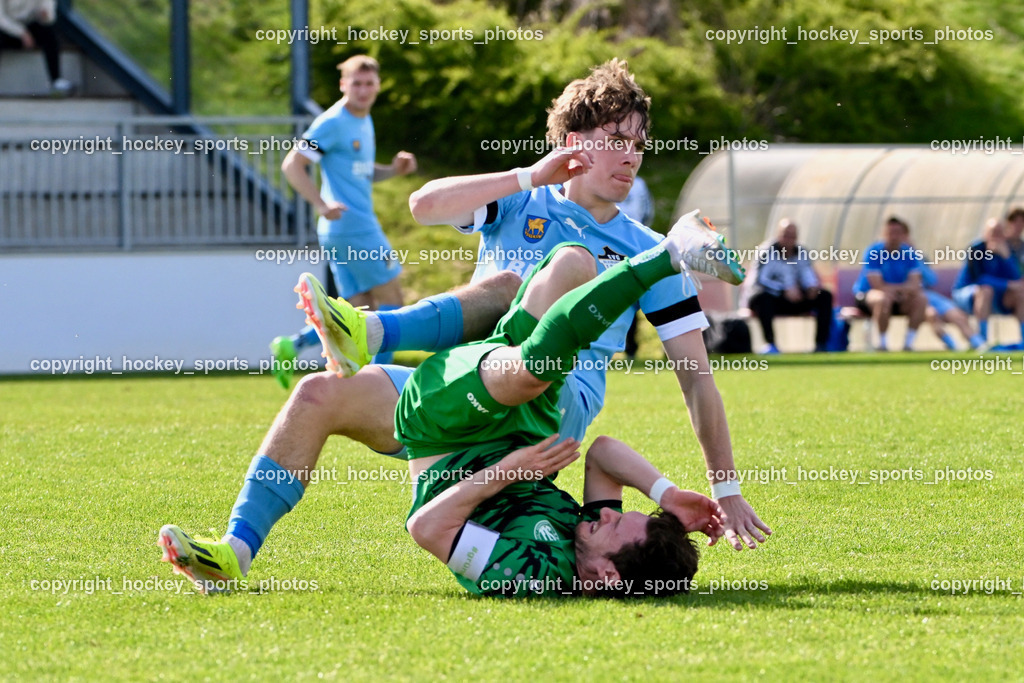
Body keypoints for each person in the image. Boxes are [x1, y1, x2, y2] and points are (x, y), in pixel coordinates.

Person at [156, 59, 769, 592]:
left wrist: (728, 484)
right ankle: (233, 554)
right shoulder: (523, 199)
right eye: (616, 137)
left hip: (546, 405)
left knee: (543, 277)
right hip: (464, 381)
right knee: (318, 394)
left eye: (639, 141)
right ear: (573, 141)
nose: (633, 154)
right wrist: (528, 175)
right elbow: (424, 205)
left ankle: (371, 333)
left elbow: (695, 376)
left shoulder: (648, 248)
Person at [399, 238, 729, 597]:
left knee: (534, 368)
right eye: (616, 514)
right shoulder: (591, 540)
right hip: (518, 429)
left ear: (608, 575)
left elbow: (427, 527)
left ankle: (666, 256)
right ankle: (376, 330)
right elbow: (603, 453)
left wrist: (509, 472)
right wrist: (667, 495)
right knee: (573, 262)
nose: (604, 514)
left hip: (449, 436)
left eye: (614, 524)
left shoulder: (536, 575)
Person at [270, 54, 417, 388]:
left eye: (369, 83)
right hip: (354, 227)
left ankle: (292, 345)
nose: (363, 90)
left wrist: (394, 170)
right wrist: (320, 204)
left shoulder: (363, 119)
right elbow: (292, 164)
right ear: (343, 85)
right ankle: (382, 385)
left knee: (357, 309)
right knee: (392, 301)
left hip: (343, 229)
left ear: (378, 85)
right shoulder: (333, 121)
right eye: (356, 83)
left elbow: (360, 173)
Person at [744, 218, 832, 353]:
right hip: (771, 299)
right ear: (778, 235)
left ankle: (821, 345)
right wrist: (783, 290)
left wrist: (811, 287)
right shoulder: (766, 251)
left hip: (794, 299)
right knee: (761, 297)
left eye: (792, 236)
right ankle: (771, 344)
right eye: (785, 235)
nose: (788, 239)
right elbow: (760, 280)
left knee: (824, 295)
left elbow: (807, 273)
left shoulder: (801, 252)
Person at [852, 216, 928, 351]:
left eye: (898, 233)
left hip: (899, 297)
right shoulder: (873, 252)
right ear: (884, 234)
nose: (894, 237)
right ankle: (882, 343)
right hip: (868, 296)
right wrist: (902, 290)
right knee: (882, 298)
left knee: (921, 299)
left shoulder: (909, 253)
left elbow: (915, 283)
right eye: (890, 233)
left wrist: (902, 292)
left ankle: (908, 344)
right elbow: (878, 285)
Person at [952, 218, 1024, 346]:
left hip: (996, 295)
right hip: (967, 294)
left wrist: (1006, 257)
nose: (996, 236)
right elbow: (979, 279)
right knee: (986, 290)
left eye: (999, 232)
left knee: (1020, 294)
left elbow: (1016, 279)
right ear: (985, 233)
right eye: (992, 232)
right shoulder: (976, 249)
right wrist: (1007, 285)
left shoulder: (1007, 249)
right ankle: (982, 341)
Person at [615, 176, 654, 359]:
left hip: (630, 246)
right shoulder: (601, 179)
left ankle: (630, 347)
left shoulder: (638, 183)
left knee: (631, 297)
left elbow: (647, 212)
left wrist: (640, 236)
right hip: (610, 242)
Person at [0, 0, 72, 96]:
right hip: (8, 28)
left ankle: (56, 81)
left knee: (49, 34)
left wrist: (45, 15)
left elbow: (50, 17)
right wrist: (22, 33)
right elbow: (1, 18)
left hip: (31, 27)